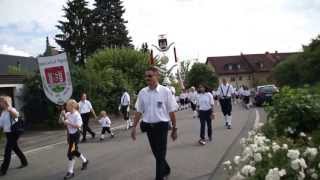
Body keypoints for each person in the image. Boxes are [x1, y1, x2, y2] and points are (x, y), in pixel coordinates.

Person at [131, 66, 178, 180]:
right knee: (156, 153)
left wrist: (174, 128)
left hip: (162, 126)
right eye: (146, 76)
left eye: (150, 76)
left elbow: (171, 111)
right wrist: (134, 127)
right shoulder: (142, 92)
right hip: (149, 127)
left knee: (160, 153)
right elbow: (138, 111)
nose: (147, 78)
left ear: (157, 76)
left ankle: (159, 177)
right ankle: (166, 169)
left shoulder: (165, 91)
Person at [0, 96, 27, 176]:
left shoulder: (12, 110)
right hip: (8, 133)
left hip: (13, 133)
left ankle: (3, 170)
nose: (0, 103)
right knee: (15, 148)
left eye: (1, 102)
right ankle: (24, 162)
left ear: (5, 102)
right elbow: (1, 124)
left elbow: (16, 117)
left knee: (7, 151)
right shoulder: (3, 112)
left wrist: (9, 108)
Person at [62, 99, 89, 180]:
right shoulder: (68, 113)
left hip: (76, 135)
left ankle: (70, 172)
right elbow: (60, 121)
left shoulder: (77, 115)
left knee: (71, 153)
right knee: (74, 151)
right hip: (70, 135)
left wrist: (68, 123)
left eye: (67, 106)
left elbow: (78, 126)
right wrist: (62, 115)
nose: (66, 107)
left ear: (72, 106)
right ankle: (85, 161)